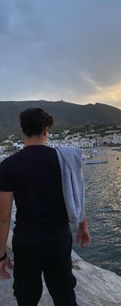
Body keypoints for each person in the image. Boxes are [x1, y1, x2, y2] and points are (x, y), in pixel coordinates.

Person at [0, 108, 91, 306]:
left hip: (27, 242)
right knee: (64, 294)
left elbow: (4, 217)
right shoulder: (64, 160)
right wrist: (83, 226)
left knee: (27, 297)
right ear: (46, 130)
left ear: (22, 130)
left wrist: (1, 256)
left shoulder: (8, 165)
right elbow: (78, 194)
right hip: (58, 239)